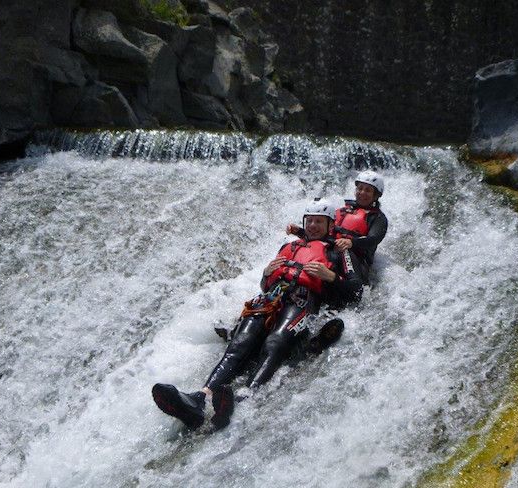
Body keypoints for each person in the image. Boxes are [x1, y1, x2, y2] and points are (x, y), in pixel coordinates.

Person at [152, 199, 363, 431]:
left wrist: (331, 277)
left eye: (319, 222)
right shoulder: (289, 246)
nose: (313, 225)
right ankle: (199, 399)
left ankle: (243, 398)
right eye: (309, 221)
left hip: (303, 301)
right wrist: (266, 274)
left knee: (275, 342)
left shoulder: (339, 252)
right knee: (240, 343)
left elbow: (356, 291)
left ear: (330, 224)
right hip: (270, 299)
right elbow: (265, 285)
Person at [287, 170, 388, 283]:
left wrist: (351, 243)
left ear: (376, 195)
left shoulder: (378, 218)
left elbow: (373, 240)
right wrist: (300, 232)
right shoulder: (341, 211)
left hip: (354, 260)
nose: (362, 192)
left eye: (368, 190)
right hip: (329, 251)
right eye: (360, 188)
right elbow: (323, 234)